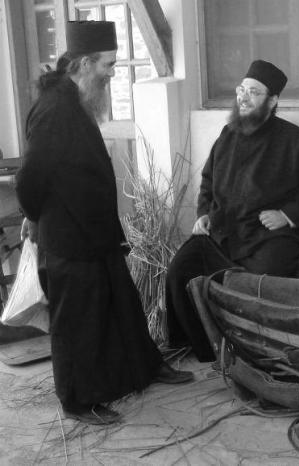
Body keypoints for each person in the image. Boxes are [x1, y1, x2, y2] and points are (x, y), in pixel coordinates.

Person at [15, 21, 193, 426]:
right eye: (107, 65)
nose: (112, 73)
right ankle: (77, 400)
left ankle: (146, 367)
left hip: (95, 232)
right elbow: (29, 179)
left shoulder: (75, 99)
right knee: (76, 321)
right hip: (69, 238)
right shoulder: (54, 110)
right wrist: (33, 217)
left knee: (123, 304)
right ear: (83, 63)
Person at [166, 60, 299, 362]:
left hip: (266, 237)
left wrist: (287, 215)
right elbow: (208, 181)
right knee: (180, 269)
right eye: (241, 90)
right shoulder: (227, 134)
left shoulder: (294, 140)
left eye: (254, 92)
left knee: (261, 282)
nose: (243, 98)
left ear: (272, 101)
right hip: (222, 231)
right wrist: (203, 214)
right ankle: (199, 347)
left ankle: (254, 354)